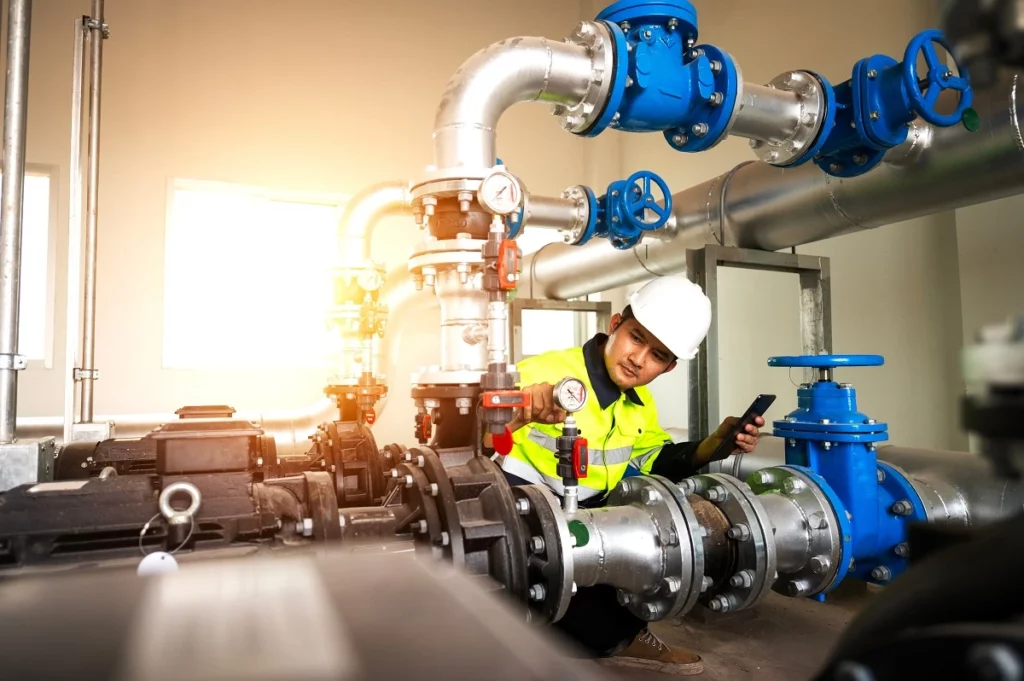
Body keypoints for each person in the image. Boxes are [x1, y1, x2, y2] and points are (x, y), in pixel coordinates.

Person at [498, 275, 764, 676]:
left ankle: (619, 637)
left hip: (589, 519)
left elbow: (650, 460)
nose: (638, 359)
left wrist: (707, 448)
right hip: (520, 512)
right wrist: (517, 411)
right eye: (635, 338)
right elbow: (477, 437)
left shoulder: (639, 405)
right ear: (615, 324)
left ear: (670, 366)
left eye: (656, 355)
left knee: (645, 543)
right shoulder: (544, 371)